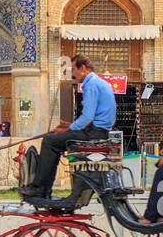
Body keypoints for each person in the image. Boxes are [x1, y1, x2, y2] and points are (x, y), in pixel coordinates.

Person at [20, 55, 115, 203]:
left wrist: (68, 129)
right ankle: (43, 189)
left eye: (73, 70)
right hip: (97, 132)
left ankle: (39, 188)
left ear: (82, 68)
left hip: (92, 134)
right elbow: (91, 117)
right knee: (54, 141)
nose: (72, 74)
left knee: (50, 141)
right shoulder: (101, 83)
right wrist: (69, 126)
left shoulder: (91, 85)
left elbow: (88, 117)